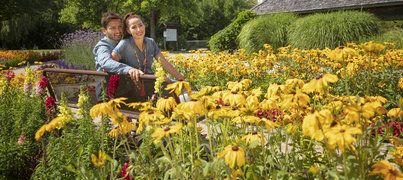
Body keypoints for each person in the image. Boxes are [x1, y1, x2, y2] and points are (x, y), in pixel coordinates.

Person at [110, 12, 184, 101]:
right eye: (133, 27)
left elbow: (165, 63)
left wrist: (181, 80)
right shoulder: (124, 44)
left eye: (140, 25)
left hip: (151, 81)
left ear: (144, 26)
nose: (138, 29)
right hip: (133, 87)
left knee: (183, 89)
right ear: (128, 30)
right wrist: (128, 70)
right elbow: (110, 63)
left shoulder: (150, 42)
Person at [94, 12, 155, 102]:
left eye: (119, 27)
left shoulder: (124, 43)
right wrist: (129, 69)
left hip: (125, 89)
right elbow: (106, 63)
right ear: (104, 31)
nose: (118, 31)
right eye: (113, 28)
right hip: (107, 92)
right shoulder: (103, 46)